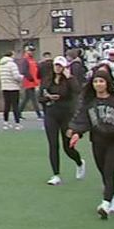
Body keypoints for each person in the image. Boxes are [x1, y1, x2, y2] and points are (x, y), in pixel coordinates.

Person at [68, 70, 114, 219]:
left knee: (109, 172)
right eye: (95, 81)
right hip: (97, 141)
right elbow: (83, 121)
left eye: (101, 81)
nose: (98, 84)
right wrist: (76, 133)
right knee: (103, 172)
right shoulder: (90, 103)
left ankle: (105, 204)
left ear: (107, 83)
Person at [40, 56, 85, 186]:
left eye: (60, 66)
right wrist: (48, 98)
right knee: (53, 145)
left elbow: (77, 91)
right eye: (56, 65)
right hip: (51, 114)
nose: (58, 68)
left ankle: (79, 162)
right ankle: (56, 174)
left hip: (66, 115)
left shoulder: (70, 80)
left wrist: (69, 77)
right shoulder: (48, 80)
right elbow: (40, 98)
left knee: (68, 147)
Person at [0, 51, 24, 130]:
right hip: (13, 87)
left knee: (7, 105)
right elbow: (16, 76)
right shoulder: (12, 64)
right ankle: (17, 123)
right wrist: (22, 77)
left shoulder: (1, 65)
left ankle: (5, 123)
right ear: (11, 56)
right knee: (15, 106)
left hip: (4, 87)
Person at [18, 46, 43, 121]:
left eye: (32, 51)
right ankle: (39, 114)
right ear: (26, 51)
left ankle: (18, 113)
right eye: (30, 51)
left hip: (33, 82)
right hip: (29, 82)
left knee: (26, 99)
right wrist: (31, 79)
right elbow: (24, 71)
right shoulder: (25, 60)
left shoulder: (32, 59)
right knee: (34, 99)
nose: (32, 52)